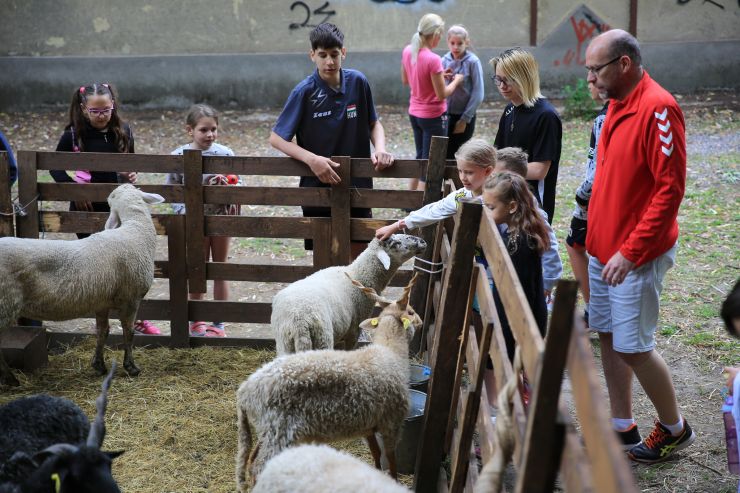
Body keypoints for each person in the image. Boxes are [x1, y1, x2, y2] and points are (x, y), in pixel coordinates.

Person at [585, 29, 694, 463]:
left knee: (633, 346)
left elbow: (669, 191)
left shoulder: (659, 109)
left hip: (634, 256)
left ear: (624, 65)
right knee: (609, 334)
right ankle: (621, 424)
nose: (590, 78)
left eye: (596, 69)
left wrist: (630, 251)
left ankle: (674, 427)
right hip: (602, 251)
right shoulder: (616, 104)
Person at [269, 22, 393, 259]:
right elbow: (276, 138)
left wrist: (380, 148)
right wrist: (312, 160)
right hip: (317, 188)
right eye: (322, 55)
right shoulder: (304, 92)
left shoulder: (358, 82)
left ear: (343, 53)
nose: (329, 62)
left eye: (334, 54)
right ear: (312, 55)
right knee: (326, 263)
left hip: (357, 185)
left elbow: (373, 123)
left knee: (358, 261)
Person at [51, 83, 159, 336]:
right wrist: (74, 190)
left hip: (117, 209)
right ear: (83, 108)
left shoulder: (123, 131)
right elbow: (55, 167)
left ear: (113, 106)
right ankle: (101, 322)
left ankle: (134, 320)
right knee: (96, 267)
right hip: (84, 209)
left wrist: (130, 174)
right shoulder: (72, 135)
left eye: (106, 110)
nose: (101, 116)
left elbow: (129, 164)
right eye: (95, 111)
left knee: (126, 268)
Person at [167, 104, 238, 338]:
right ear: (190, 130)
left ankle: (219, 322)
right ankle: (196, 320)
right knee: (197, 267)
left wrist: (228, 185)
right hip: (194, 222)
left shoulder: (226, 154)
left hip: (220, 218)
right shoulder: (178, 156)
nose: (209, 135)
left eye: (213, 129)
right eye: (203, 130)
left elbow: (240, 184)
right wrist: (184, 214)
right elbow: (172, 190)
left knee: (220, 267)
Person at [490, 48, 562, 224]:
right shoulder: (510, 109)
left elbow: (539, 170)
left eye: (508, 80)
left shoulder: (546, 116)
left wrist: (499, 171)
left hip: (533, 205)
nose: (502, 86)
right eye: (498, 79)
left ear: (525, 77)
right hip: (506, 197)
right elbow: (497, 154)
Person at [374, 138, 494, 241]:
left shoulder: (499, 199)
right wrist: (395, 226)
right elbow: (433, 211)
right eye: (460, 171)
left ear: (488, 171)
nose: (463, 177)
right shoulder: (462, 196)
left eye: (469, 172)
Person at [402, 13, 463, 191]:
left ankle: (408, 200)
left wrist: (438, 75)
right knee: (430, 162)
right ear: (435, 34)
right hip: (433, 117)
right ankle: (420, 206)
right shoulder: (433, 59)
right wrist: (456, 81)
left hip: (414, 113)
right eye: (441, 35)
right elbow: (442, 94)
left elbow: (407, 80)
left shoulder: (408, 51)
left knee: (420, 156)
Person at [493, 147, 562, 302]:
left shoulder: (531, 210)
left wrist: (548, 282)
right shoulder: (498, 199)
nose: (493, 180)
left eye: (499, 175)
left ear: (515, 178)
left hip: (526, 284)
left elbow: (549, 246)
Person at [565, 82, 608, 328]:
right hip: (601, 197)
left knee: (576, 245)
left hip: (593, 200)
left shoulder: (604, 118)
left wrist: (583, 194)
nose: (589, 83)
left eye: (593, 79)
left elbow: (598, 165)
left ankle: (595, 309)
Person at [441, 25, 484, 159]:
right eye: (452, 43)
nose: (456, 47)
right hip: (446, 114)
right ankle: (445, 180)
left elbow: (478, 92)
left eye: (460, 43)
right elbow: (438, 88)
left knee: (460, 153)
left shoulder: (473, 62)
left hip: (464, 115)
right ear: (447, 42)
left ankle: (460, 180)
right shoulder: (443, 60)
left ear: (467, 42)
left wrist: (465, 119)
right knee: (444, 152)